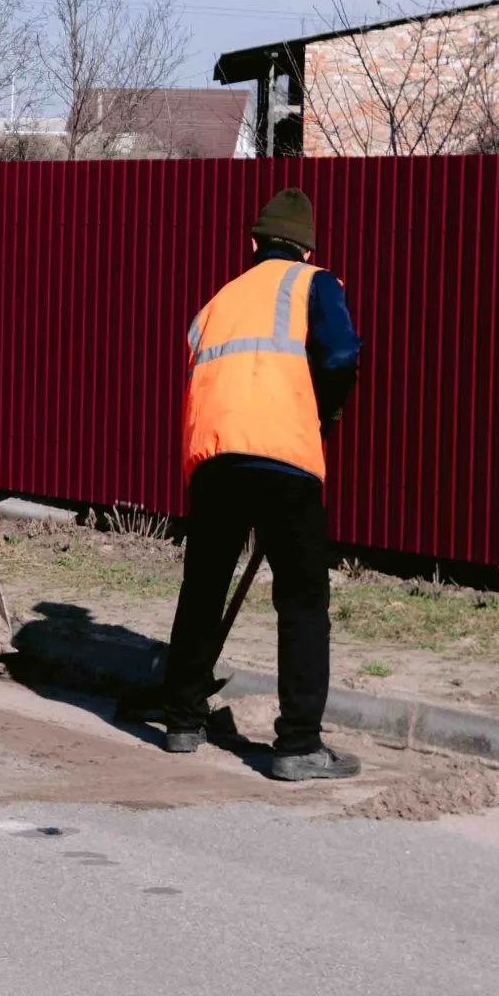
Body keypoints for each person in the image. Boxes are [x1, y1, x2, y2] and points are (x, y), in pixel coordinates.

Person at [155, 187, 363, 781]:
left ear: (252, 245)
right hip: (283, 458)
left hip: (214, 458)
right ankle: (297, 745)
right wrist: (326, 410)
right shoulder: (314, 284)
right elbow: (342, 353)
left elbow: (201, 362)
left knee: (203, 587)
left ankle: (182, 720)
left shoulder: (218, 300)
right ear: (306, 249)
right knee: (301, 600)